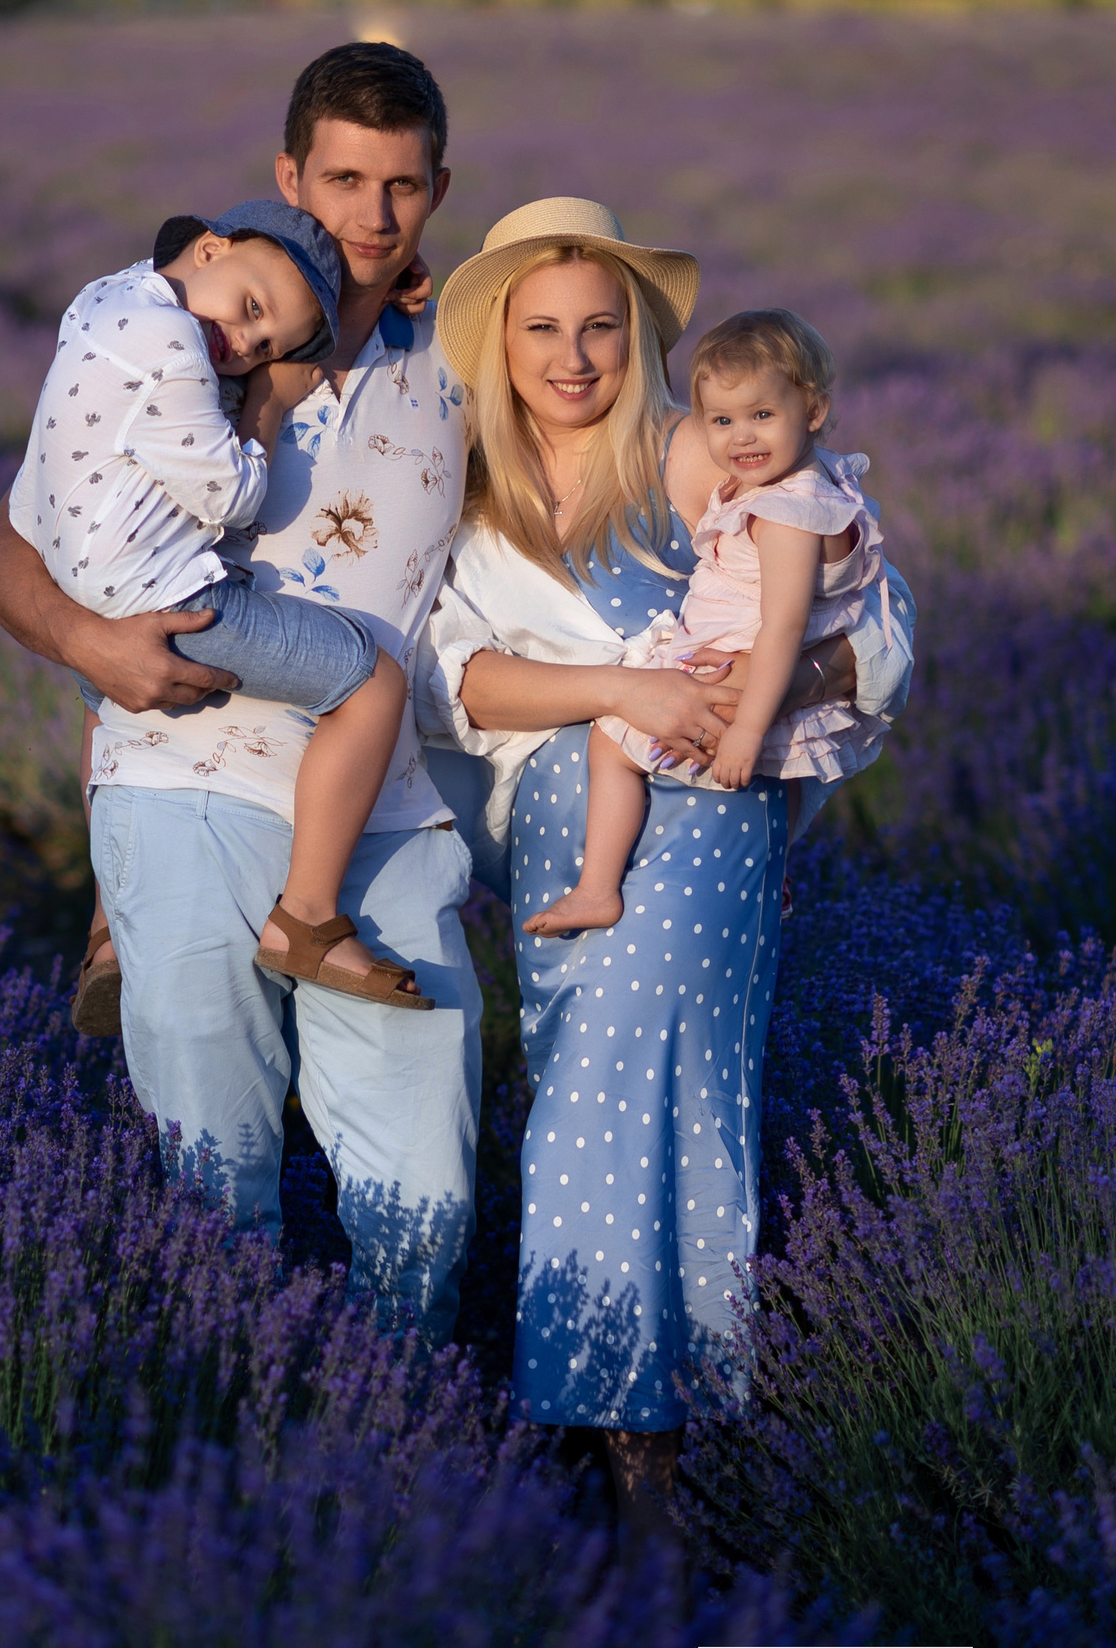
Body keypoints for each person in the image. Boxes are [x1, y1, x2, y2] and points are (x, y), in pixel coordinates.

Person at [414, 198, 916, 1547]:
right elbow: (457, 677)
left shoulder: (706, 456)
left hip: (704, 823)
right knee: (594, 1092)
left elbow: (878, 622)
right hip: (558, 843)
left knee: (630, 1101)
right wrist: (623, 680)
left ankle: (641, 1470)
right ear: (499, 342)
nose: (573, 356)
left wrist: (768, 685)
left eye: (599, 327)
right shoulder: (464, 500)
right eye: (542, 330)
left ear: (637, 336)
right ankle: (639, 1433)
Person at [0, 42, 483, 1345]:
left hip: (389, 818)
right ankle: (247, 1479)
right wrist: (90, 646)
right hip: (186, 785)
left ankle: (399, 1466)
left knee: (422, 1197)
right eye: (346, 180)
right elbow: (3, 548)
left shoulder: (462, 365)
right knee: (214, 1197)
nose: (373, 215)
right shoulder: (191, 351)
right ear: (287, 179)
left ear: (438, 192)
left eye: (404, 187)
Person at [17, 199, 430, 1016]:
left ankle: (106, 925)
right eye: (249, 310)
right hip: (166, 594)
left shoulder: (106, 298)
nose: (242, 344)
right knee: (371, 683)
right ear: (209, 250)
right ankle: (307, 920)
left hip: (82, 582)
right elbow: (233, 494)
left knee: (104, 705)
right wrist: (267, 403)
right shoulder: (176, 348)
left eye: (265, 345)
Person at [523, 308, 897, 937]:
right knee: (781, 788)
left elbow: (782, 627)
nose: (741, 439)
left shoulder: (786, 512)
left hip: (746, 678)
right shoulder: (798, 483)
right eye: (720, 421)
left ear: (813, 411)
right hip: (742, 666)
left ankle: (596, 889)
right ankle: (772, 866)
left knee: (611, 742)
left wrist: (749, 727)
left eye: (762, 416)